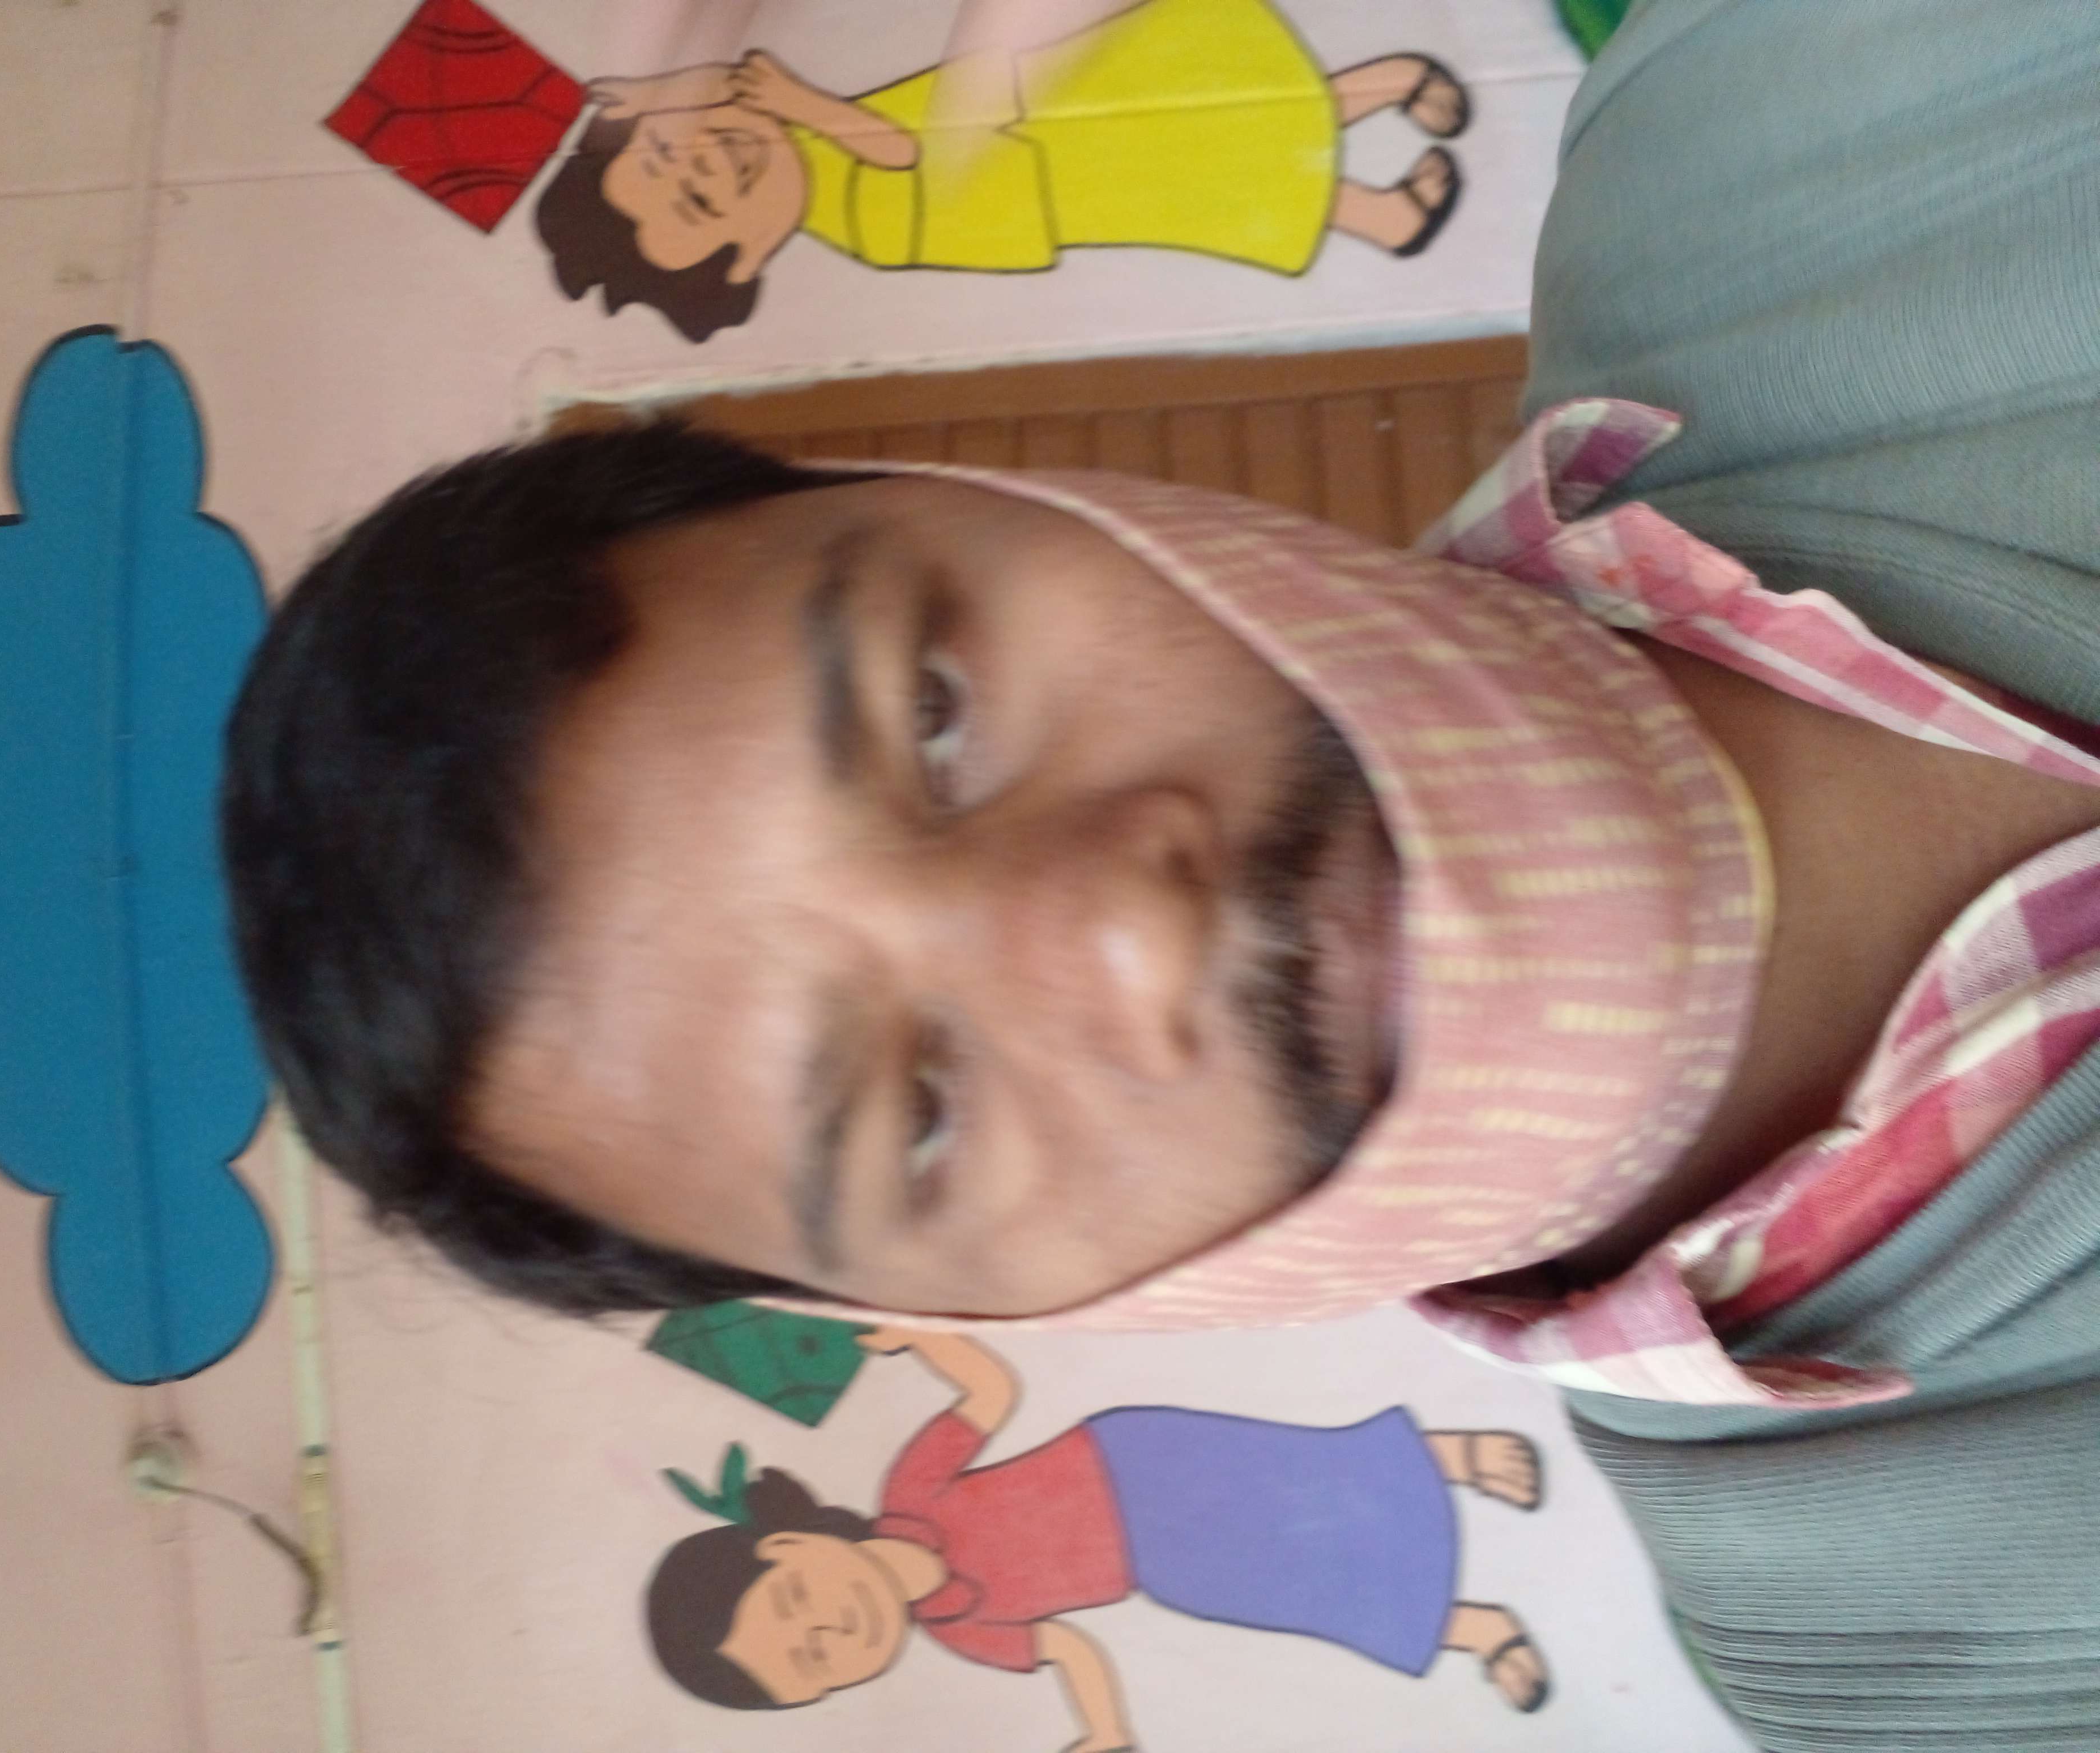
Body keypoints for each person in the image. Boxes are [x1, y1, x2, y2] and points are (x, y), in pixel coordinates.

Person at [222, 1, 2100, 1744]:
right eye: (916, 1112)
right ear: (968, 1320)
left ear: (986, 493)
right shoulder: (1907, 1659)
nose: (1126, 925)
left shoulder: (1781, 89)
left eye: (933, 711)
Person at [644, 1328, 1550, 1738]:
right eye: (815, 1660)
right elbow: (1070, 1649)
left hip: (1140, 1463)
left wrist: (919, 1336)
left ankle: (1455, 1456)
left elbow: (989, 1394)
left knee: (1301, 1479)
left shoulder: (910, 1492)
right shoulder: (964, 1632)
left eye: (796, 1603)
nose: (832, 1627)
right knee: (1304, 1592)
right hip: (1165, 1563)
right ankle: (1478, 1629)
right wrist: (1108, 1734)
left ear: (791, 1546)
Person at [534, 0, 1467, 341]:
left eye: (673, 150)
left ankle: (1385, 95)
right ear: (743, 260)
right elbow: (904, 154)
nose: (707, 156)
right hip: (1050, 161)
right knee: (1218, 152)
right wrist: (802, 102)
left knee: (1222, 95)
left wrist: (660, 94)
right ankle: (1378, 205)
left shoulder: (766, 131)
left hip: (1029, 119)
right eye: (700, 195)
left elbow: (707, 78)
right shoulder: (848, 211)